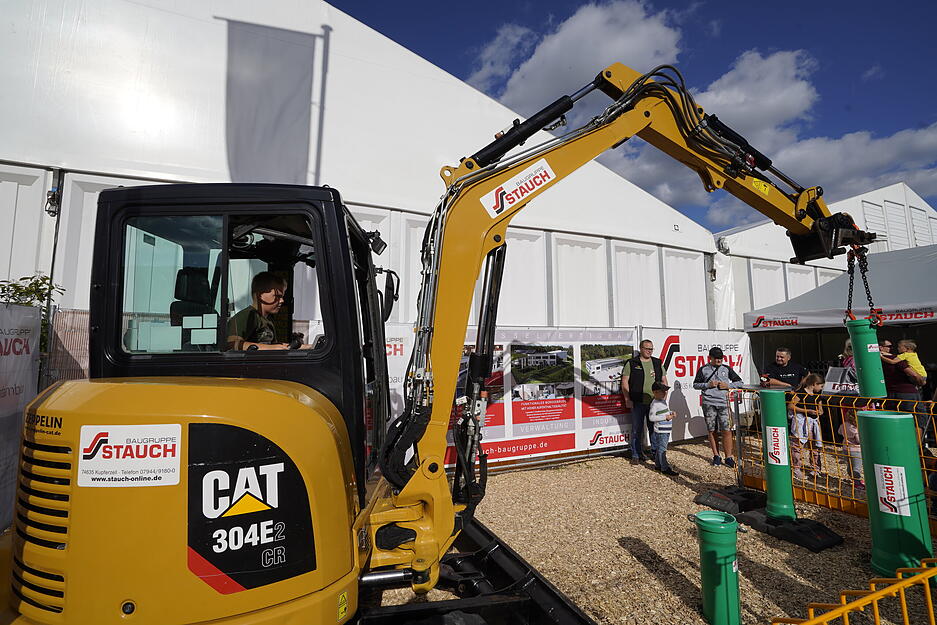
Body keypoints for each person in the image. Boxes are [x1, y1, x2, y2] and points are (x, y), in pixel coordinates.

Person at [693, 346, 744, 467]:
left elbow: (740, 382)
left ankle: (729, 457)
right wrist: (708, 384)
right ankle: (716, 455)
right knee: (712, 430)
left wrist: (728, 385)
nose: (719, 360)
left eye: (721, 358)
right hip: (709, 403)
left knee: (726, 430)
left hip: (724, 403)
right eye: (716, 358)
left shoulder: (726, 369)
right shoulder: (703, 369)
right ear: (710, 358)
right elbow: (695, 385)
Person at [621, 340, 668, 463]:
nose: (649, 351)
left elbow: (664, 380)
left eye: (651, 349)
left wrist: (664, 396)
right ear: (641, 348)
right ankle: (636, 454)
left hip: (655, 402)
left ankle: (655, 452)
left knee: (654, 428)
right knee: (637, 429)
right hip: (637, 402)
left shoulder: (657, 363)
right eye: (647, 348)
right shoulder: (632, 363)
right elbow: (625, 381)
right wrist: (627, 398)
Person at [227, 271, 294, 351]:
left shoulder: (267, 321)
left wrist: (306, 347)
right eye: (277, 296)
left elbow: (275, 346)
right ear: (260, 295)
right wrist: (271, 348)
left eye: (282, 297)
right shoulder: (247, 316)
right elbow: (231, 344)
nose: (282, 301)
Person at [789, 373, 825, 480]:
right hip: (801, 422)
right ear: (814, 384)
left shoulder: (818, 395)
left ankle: (815, 468)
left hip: (814, 422)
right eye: (821, 386)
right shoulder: (800, 393)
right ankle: (796, 468)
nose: (821, 388)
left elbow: (821, 409)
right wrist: (807, 411)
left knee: (815, 447)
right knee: (798, 446)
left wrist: (819, 412)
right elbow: (791, 406)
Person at [648, 381, 678, 476]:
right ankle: (664, 468)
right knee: (662, 449)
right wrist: (665, 417)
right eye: (663, 391)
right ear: (655, 392)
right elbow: (651, 418)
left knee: (659, 448)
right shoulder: (654, 404)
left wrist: (671, 412)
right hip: (661, 430)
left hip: (665, 429)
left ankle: (658, 465)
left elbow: (665, 411)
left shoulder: (662, 401)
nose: (665, 393)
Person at [837, 407, 864, 488]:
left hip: (845, 448)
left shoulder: (843, 425)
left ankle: (852, 478)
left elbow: (839, 432)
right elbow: (859, 441)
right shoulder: (855, 428)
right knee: (856, 467)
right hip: (856, 450)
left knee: (849, 465)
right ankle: (857, 483)